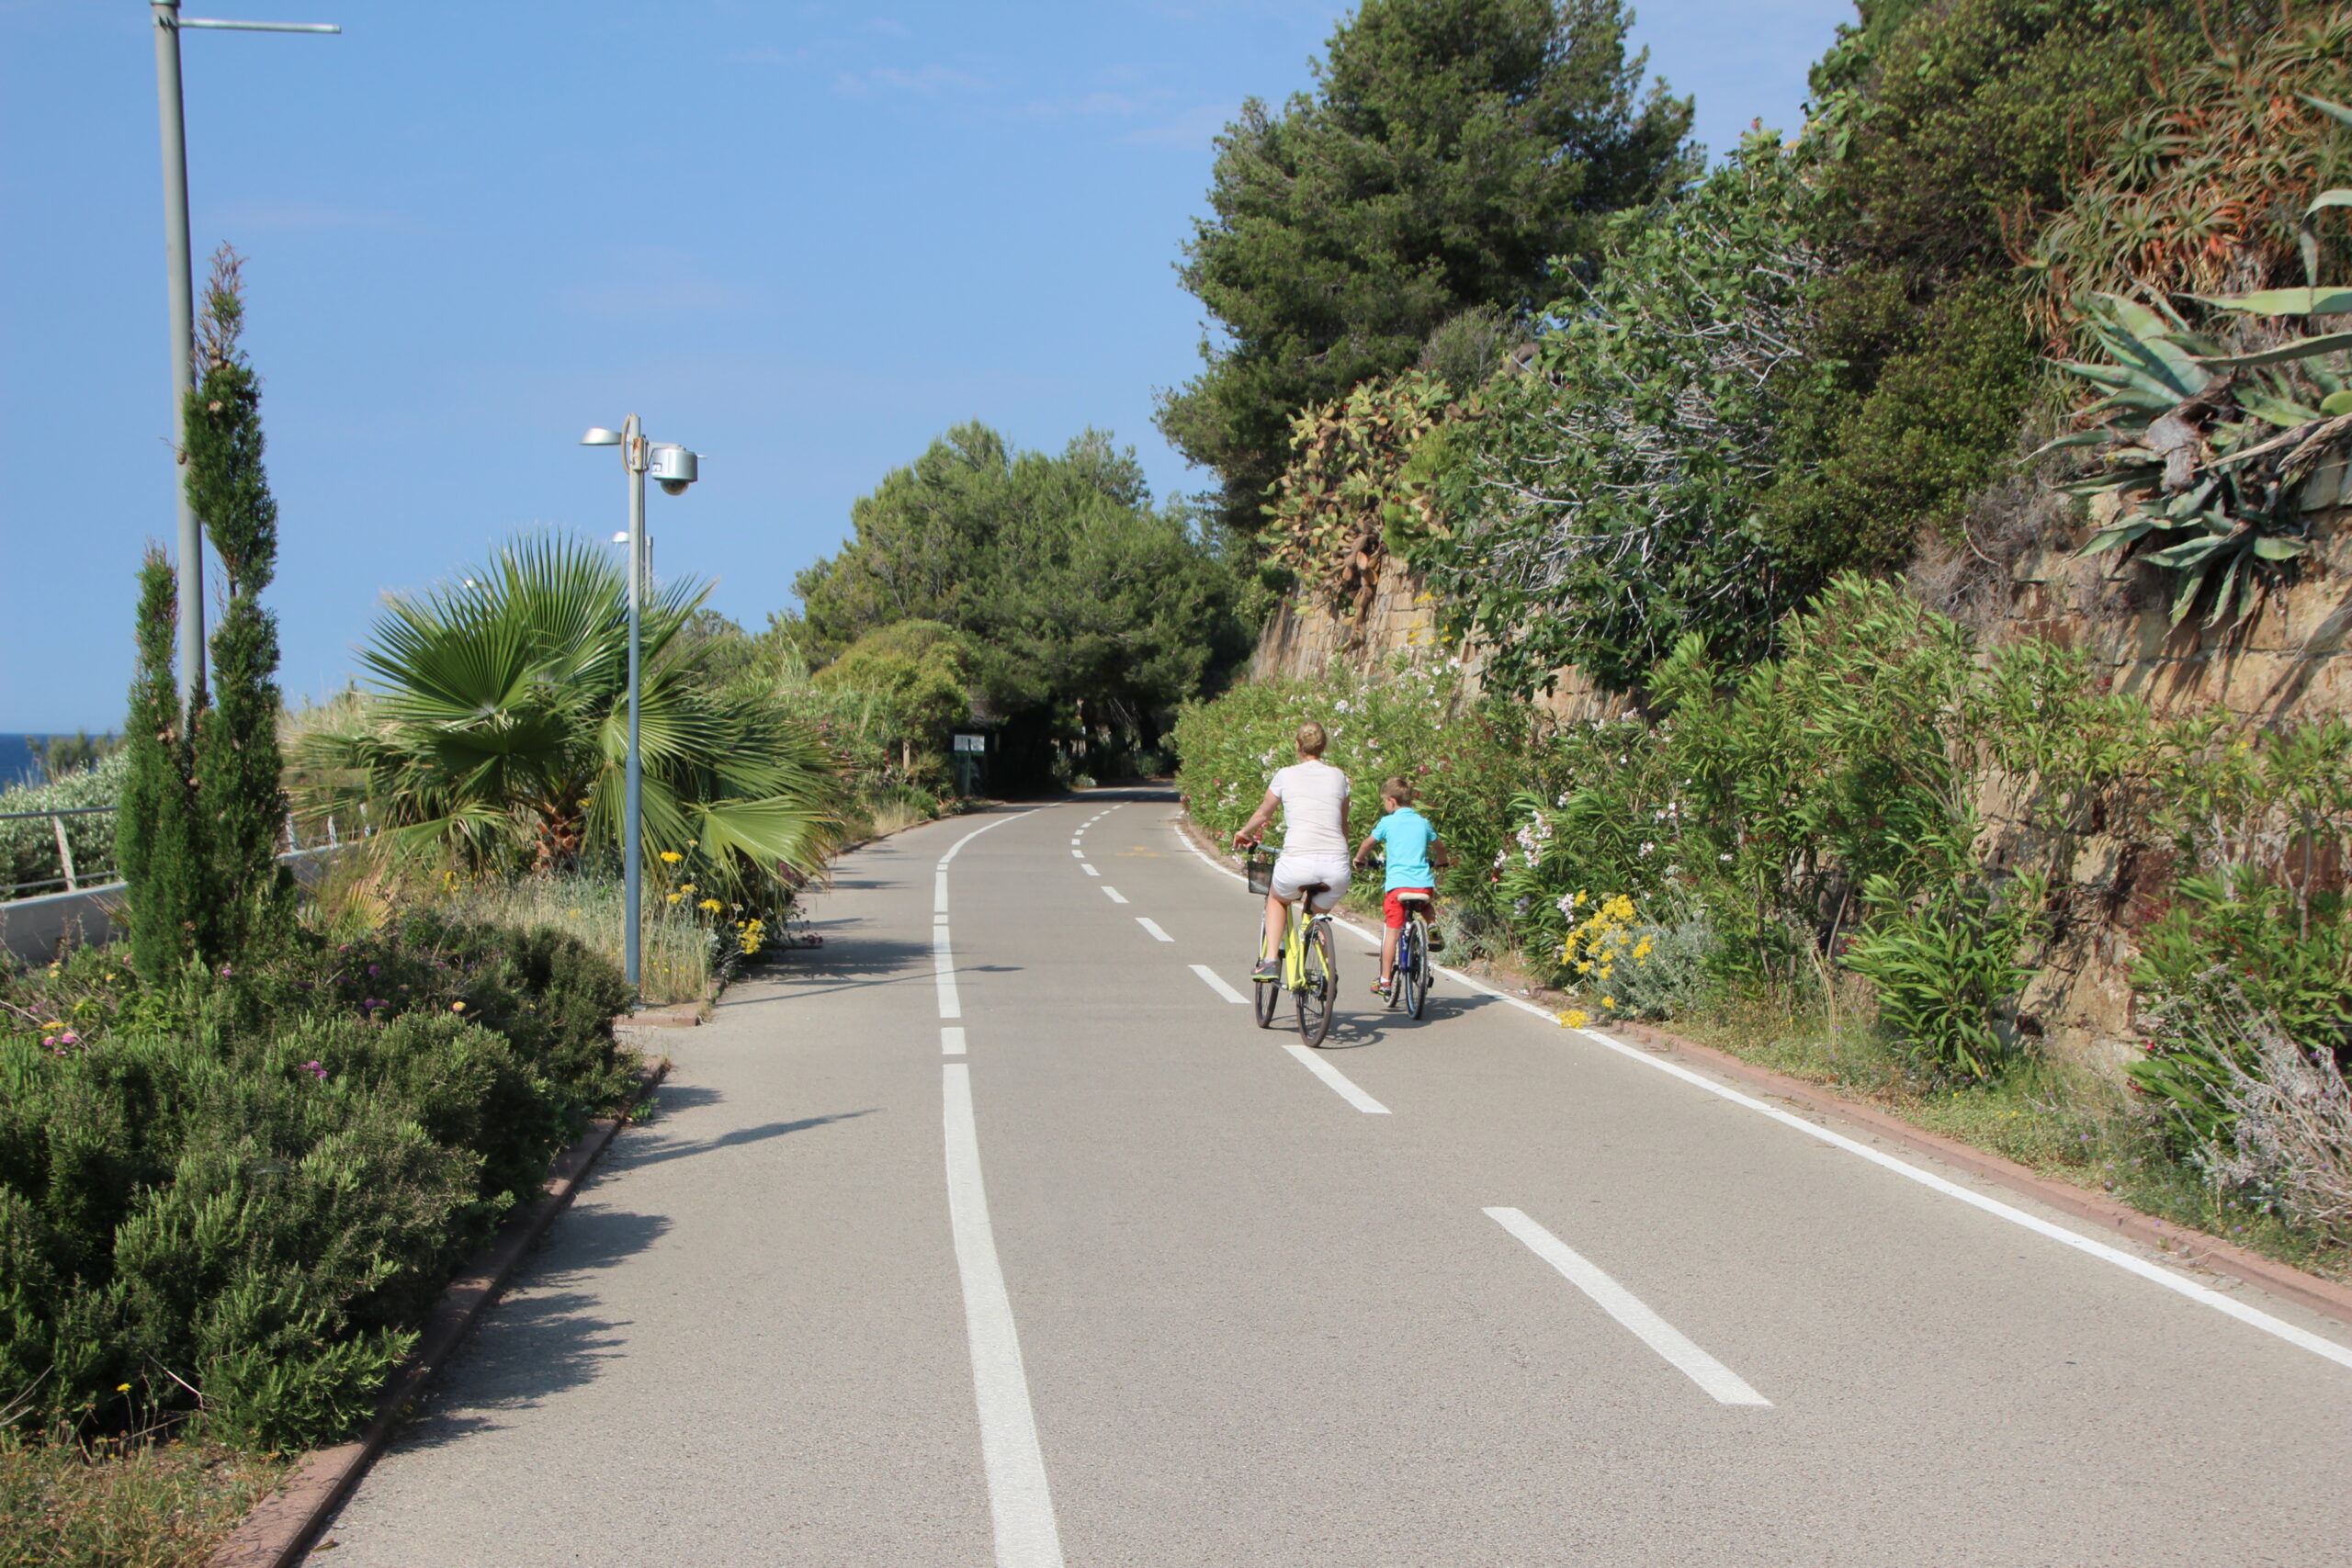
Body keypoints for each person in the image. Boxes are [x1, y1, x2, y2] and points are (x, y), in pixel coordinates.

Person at [1232, 721, 1351, 981]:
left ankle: (1271, 961)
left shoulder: (1286, 775)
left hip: (1298, 861)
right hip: (1336, 866)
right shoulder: (1339, 776)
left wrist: (1244, 833)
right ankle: (1327, 968)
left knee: (1277, 898)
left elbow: (1264, 812)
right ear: (1324, 746)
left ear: (1298, 746)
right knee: (1316, 913)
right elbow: (1343, 825)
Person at [1354, 777, 1445, 998]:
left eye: (1385, 801)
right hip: (1423, 885)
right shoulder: (1423, 822)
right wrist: (1442, 860)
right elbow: (1439, 845)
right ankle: (1432, 925)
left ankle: (1385, 981)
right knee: (1425, 905)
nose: (1385, 805)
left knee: (1392, 934)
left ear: (1392, 802)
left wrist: (1359, 859)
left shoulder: (1388, 822)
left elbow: (1368, 843)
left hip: (1397, 888)